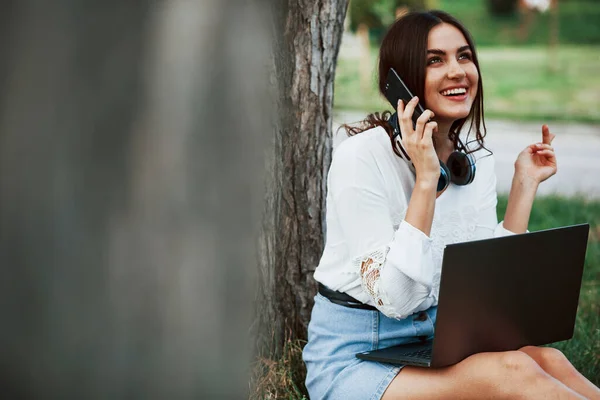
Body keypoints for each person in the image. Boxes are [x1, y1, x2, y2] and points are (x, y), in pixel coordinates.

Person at [302, 10, 600, 400]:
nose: (458, 71)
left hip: (438, 340)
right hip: (356, 354)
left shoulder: (470, 159)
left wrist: (524, 185)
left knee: (550, 362)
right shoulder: (361, 157)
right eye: (434, 61)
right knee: (510, 372)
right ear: (402, 81)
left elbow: (489, 285)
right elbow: (397, 299)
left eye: (464, 56)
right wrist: (426, 180)